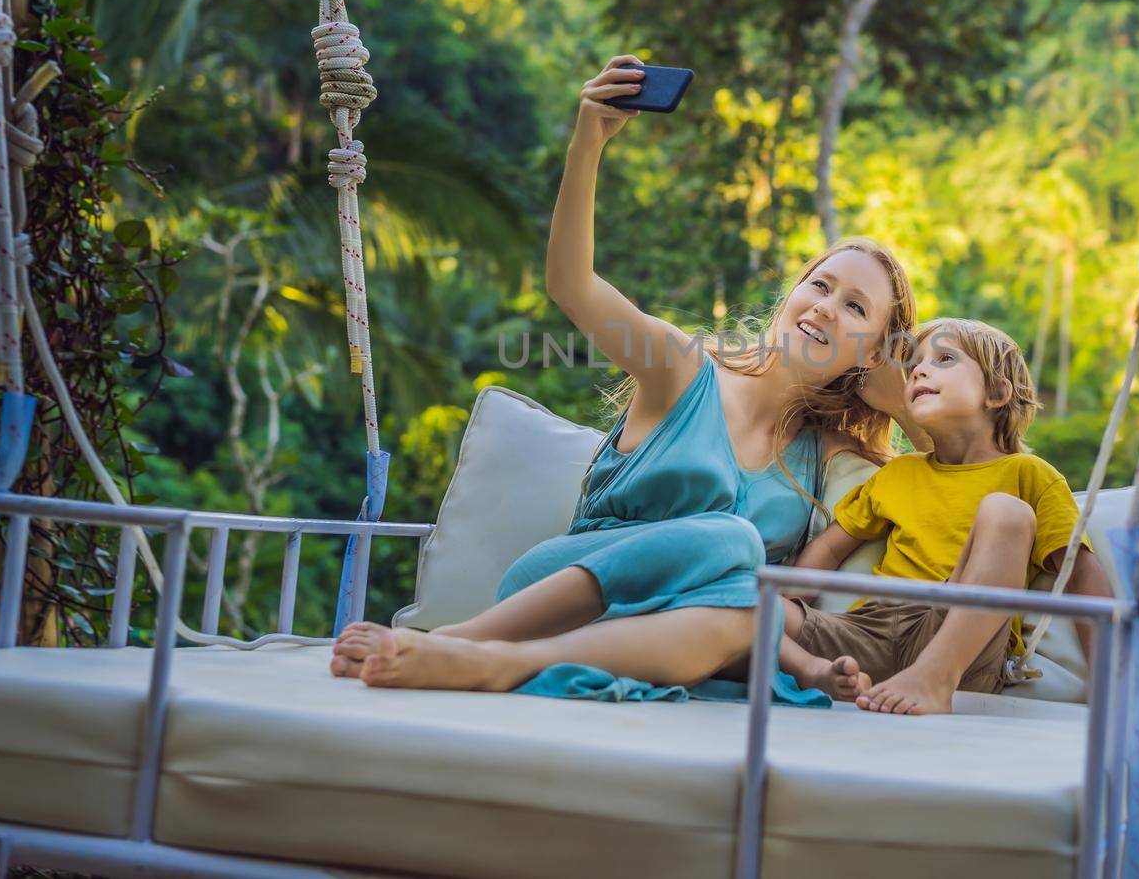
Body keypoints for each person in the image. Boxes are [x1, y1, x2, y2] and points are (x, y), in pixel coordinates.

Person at [330, 54, 920, 703]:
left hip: (674, 641)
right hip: (558, 597)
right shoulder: (682, 367)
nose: (826, 307)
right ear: (793, 292)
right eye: (821, 284)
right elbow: (572, 286)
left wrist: (902, 400)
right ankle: (471, 639)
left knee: (746, 612)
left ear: (872, 351)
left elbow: (964, 464)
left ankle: (499, 664)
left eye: (856, 308)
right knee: (734, 539)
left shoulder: (829, 458)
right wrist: (589, 143)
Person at [778, 318, 1114, 715]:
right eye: (915, 364)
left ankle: (935, 676)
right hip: (874, 627)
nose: (919, 369)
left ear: (996, 393)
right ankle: (812, 671)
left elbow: (1081, 573)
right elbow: (830, 548)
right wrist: (786, 607)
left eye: (945, 358)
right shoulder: (898, 473)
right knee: (743, 596)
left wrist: (1111, 688)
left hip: (962, 639)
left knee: (1005, 512)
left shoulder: (1029, 473)